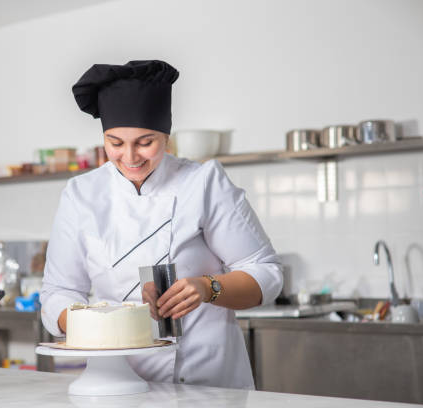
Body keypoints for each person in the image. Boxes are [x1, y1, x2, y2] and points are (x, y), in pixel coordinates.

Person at [40, 60, 282, 389]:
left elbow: (266, 273)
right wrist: (106, 324)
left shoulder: (203, 183)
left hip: (206, 381)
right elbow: (58, 293)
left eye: (145, 142)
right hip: (117, 383)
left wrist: (207, 288)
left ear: (166, 135)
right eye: (115, 143)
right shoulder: (81, 195)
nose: (130, 157)